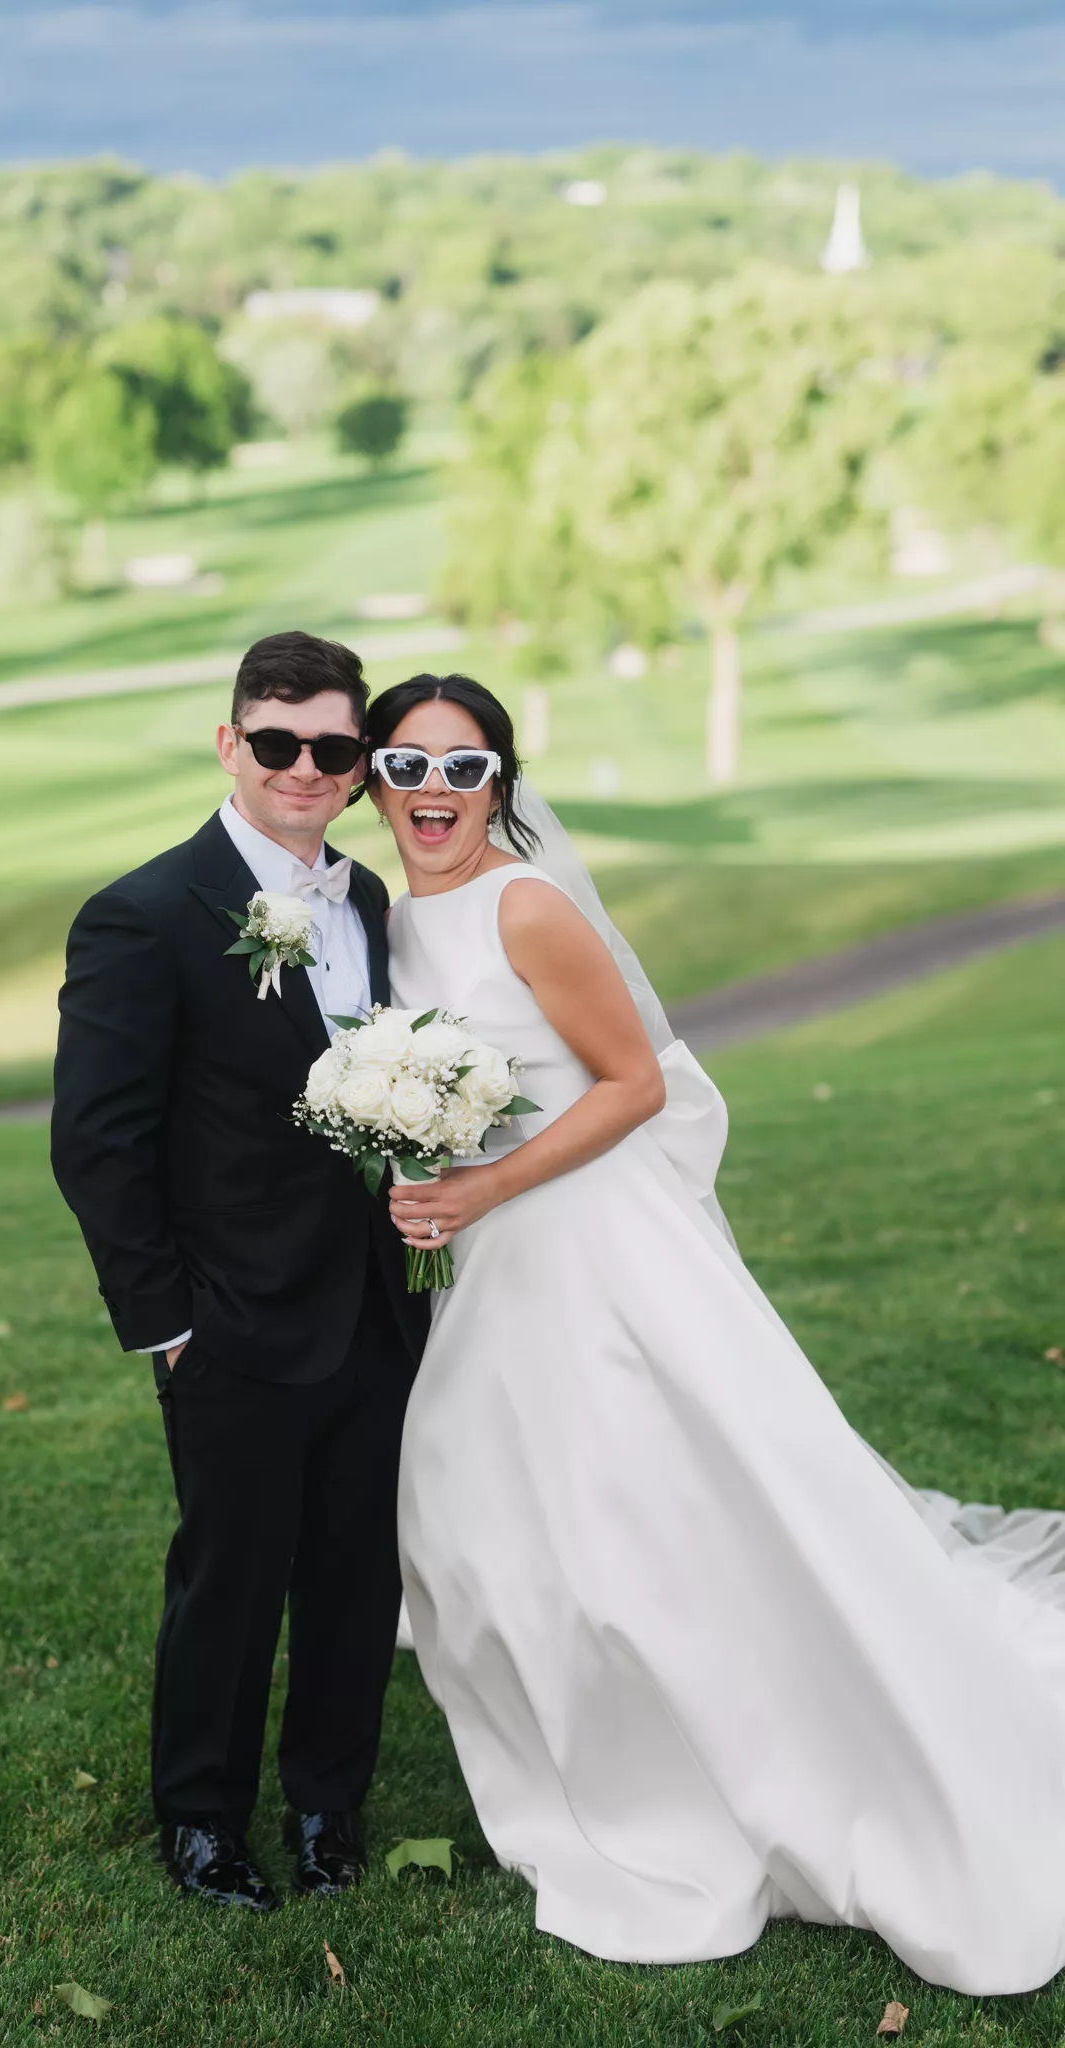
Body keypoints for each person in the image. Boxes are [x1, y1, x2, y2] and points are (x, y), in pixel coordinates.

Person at [372, 669, 1065, 1995]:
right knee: (473, 1513)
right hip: (491, 1260)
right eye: (408, 768)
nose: (435, 796)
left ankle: (721, 1756)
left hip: (590, 1243)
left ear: (499, 786)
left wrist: (486, 1187)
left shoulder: (528, 904)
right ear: (374, 784)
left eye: (464, 771)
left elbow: (633, 1082)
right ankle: (588, 1746)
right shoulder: (396, 923)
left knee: (659, 1507)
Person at [51, 631, 428, 1913]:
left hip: (373, 1306)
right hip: (228, 1323)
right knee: (231, 1571)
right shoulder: (142, 913)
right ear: (232, 743)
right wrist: (167, 1326)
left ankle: (328, 1803)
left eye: (336, 747)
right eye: (280, 742)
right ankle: (201, 1818)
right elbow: (98, 1146)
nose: (307, 769)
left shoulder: (368, 900)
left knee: (354, 1569)